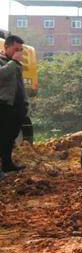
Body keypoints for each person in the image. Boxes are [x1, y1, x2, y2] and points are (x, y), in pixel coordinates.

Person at [0, 35, 28, 173]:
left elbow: (20, 86)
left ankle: (7, 164)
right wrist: (13, 62)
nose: (19, 52)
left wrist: (25, 102)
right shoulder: (4, 61)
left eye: (21, 49)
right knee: (2, 136)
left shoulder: (16, 64)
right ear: (6, 47)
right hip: (4, 106)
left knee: (10, 137)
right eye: (16, 49)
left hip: (17, 106)